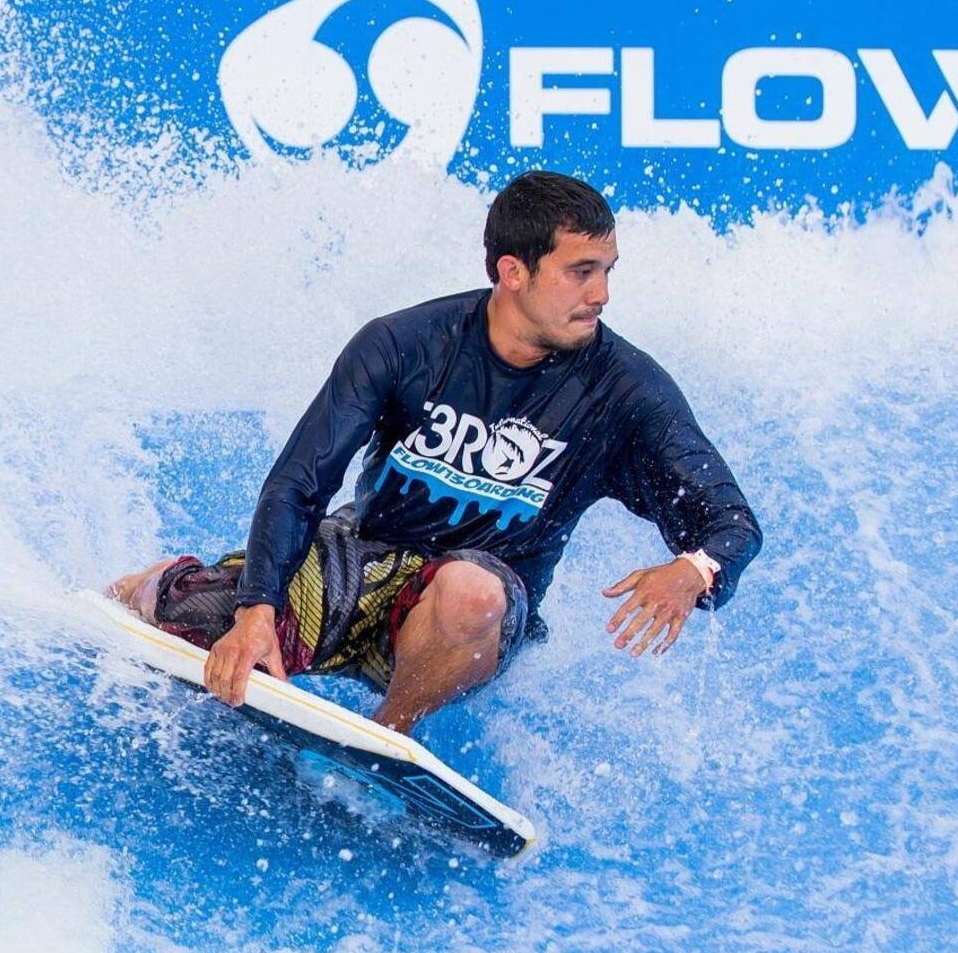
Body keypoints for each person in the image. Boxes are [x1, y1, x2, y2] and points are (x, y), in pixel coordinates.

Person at [108, 171, 761, 737]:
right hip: (360, 560)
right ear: (513, 272)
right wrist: (254, 613)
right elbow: (301, 482)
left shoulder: (624, 393)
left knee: (469, 593)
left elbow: (731, 523)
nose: (602, 295)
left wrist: (695, 571)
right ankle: (158, 583)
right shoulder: (404, 345)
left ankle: (389, 734)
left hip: (482, 610)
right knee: (196, 622)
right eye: (580, 272)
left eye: (607, 272)